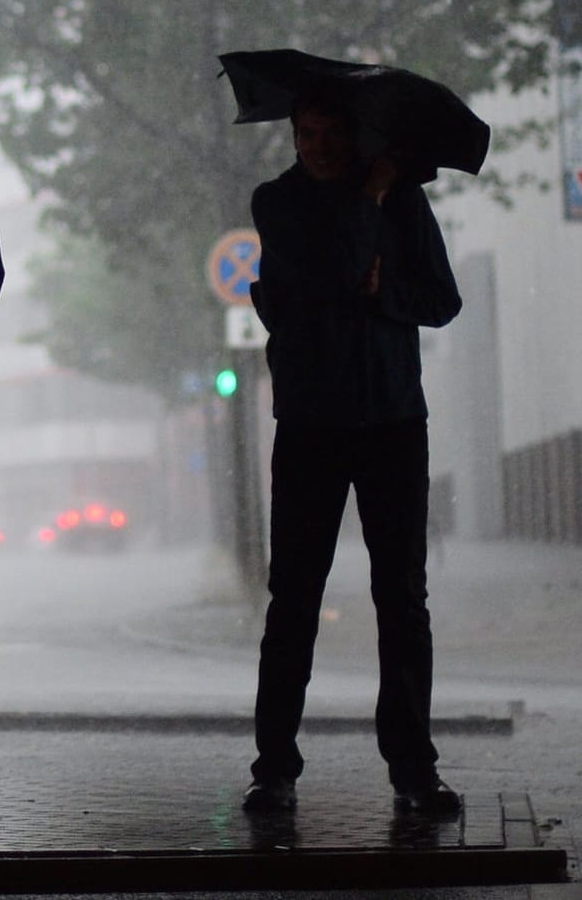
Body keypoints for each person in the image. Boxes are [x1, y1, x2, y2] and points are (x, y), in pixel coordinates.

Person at [242, 93, 463, 816]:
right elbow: (323, 277)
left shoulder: (403, 199)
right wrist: (367, 201)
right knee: (294, 596)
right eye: (307, 134)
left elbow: (441, 297)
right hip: (311, 420)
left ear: (353, 134)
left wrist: (383, 290)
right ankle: (274, 766)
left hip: (394, 416)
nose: (320, 147)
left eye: (332, 134)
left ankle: (413, 767)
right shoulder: (278, 202)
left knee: (403, 597)